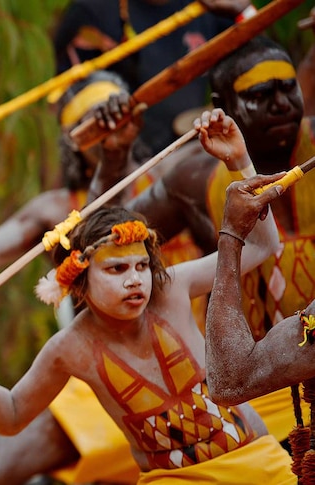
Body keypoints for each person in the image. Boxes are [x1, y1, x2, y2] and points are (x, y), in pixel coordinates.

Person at [0, 114, 293, 481]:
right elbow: (11, 416)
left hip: (259, 464)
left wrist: (238, 160)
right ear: (81, 282)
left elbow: (264, 245)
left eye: (140, 266)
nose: (135, 281)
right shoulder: (70, 347)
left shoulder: (172, 287)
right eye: (116, 270)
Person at [0, 71, 201, 485]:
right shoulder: (56, 212)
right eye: (98, 123)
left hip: (199, 367)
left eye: (117, 114)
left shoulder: (180, 171)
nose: (111, 126)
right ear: (77, 141)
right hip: (105, 383)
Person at [88, 35, 315, 449]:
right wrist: (114, 157)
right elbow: (93, 248)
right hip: (251, 392)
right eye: (261, 95)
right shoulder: (192, 180)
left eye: (289, 89)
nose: (282, 104)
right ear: (222, 102)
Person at [53, 0, 252, 154]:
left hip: (197, 151)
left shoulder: (211, 6)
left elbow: (258, 66)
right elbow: (65, 98)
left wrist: (244, 12)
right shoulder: (93, 10)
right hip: (125, 167)